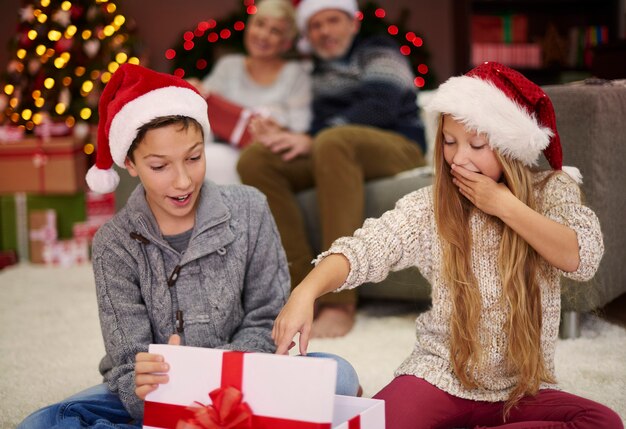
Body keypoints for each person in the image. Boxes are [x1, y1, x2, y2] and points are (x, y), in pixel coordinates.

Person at [272, 62, 624, 429]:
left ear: (509, 147)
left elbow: (581, 258)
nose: (458, 158)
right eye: (449, 142)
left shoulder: (553, 191)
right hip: (439, 377)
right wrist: (306, 292)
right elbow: (365, 248)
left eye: (476, 145)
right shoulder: (431, 204)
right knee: (373, 425)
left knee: (603, 422)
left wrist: (503, 205)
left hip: (522, 392)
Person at [17, 64, 358, 429]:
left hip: (248, 375)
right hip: (164, 391)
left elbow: (266, 317)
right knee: (43, 422)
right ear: (131, 163)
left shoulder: (250, 208)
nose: (182, 181)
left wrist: (214, 373)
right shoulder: (112, 244)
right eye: (160, 166)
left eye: (194, 158)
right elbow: (127, 359)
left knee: (340, 375)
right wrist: (144, 385)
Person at [237, 0, 427, 338]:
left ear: (352, 23)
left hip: (398, 145)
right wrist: (282, 134)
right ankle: (298, 290)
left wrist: (313, 139)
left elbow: (380, 105)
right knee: (257, 159)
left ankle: (340, 300)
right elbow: (307, 123)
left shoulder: (378, 50)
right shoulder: (314, 71)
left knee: (332, 142)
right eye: (316, 25)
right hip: (335, 148)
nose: (325, 31)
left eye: (333, 21)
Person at [188, 0, 311, 185]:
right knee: (206, 157)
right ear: (249, 27)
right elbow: (202, 110)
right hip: (223, 148)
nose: (263, 35)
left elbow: (300, 128)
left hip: (269, 153)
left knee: (231, 162)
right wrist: (191, 91)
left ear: (286, 44)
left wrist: (278, 129)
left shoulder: (296, 74)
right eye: (259, 24)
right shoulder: (229, 66)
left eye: (275, 31)